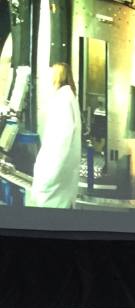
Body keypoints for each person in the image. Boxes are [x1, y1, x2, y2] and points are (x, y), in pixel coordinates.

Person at [27, 62, 81, 209]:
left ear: (58, 76)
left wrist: (49, 174)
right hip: (60, 172)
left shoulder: (63, 99)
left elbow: (63, 138)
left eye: (52, 74)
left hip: (55, 172)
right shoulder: (67, 96)